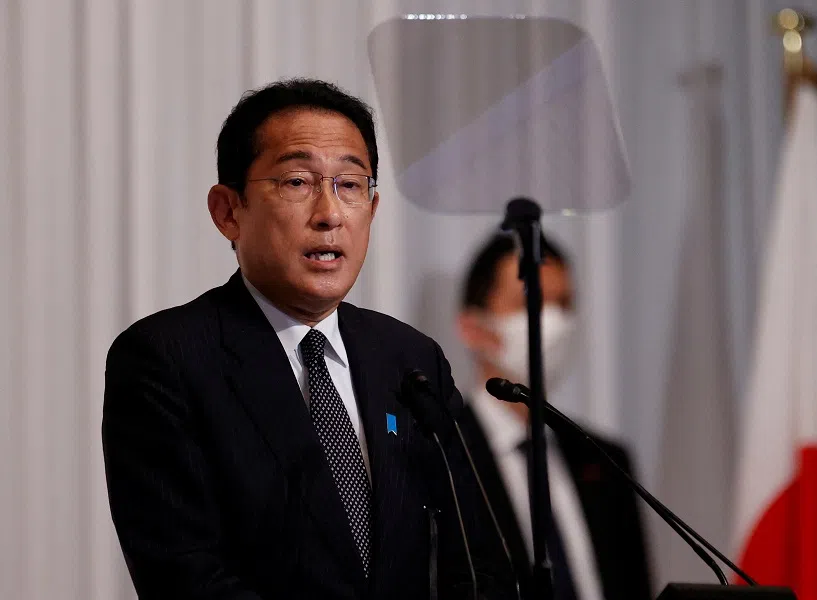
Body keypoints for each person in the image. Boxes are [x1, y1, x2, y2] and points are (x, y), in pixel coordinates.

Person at [102, 79, 515, 600]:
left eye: (349, 184)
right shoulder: (168, 358)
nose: (329, 213)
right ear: (228, 210)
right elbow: (185, 576)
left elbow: (475, 557)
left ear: (373, 206)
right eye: (298, 182)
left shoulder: (409, 359)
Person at [455, 233, 654, 600]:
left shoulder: (606, 459)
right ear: (473, 328)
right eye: (531, 303)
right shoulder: (442, 455)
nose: (554, 322)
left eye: (564, 304)